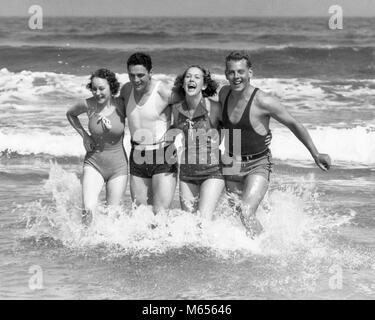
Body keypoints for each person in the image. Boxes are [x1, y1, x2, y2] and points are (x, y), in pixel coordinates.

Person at [219, 51, 331, 238]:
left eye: (241, 72)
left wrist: (315, 154)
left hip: (257, 164)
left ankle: (264, 251)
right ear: (226, 74)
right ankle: (254, 245)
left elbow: (294, 123)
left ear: (250, 73)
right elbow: (219, 121)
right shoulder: (223, 93)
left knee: (246, 212)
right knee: (238, 213)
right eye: (231, 72)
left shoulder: (264, 101)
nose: (236, 77)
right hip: (231, 163)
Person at [120, 52, 180, 214]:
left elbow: (187, 107)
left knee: (160, 213)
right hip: (137, 155)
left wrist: (174, 131)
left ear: (150, 72)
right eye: (131, 75)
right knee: (141, 213)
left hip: (163, 155)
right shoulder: (126, 90)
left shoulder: (163, 92)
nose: (136, 80)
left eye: (140, 75)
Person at [66, 68, 128, 225]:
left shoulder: (121, 104)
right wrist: (85, 136)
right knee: (89, 208)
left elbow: (141, 116)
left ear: (111, 87)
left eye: (102, 88)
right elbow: (70, 114)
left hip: (118, 168)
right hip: (94, 164)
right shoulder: (88, 104)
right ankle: (84, 245)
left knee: (111, 216)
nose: (97, 93)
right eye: (94, 89)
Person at [171, 65, 225, 220]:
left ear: (205, 85)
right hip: (187, 174)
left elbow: (235, 126)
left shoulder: (214, 107)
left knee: (203, 220)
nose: (191, 79)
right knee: (188, 225)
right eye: (188, 76)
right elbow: (166, 133)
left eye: (196, 77)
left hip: (212, 172)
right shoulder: (176, 109)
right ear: (183, 83)